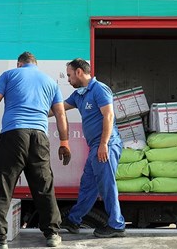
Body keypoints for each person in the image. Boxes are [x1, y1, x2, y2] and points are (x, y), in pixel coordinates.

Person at [0, 51, 71, 249]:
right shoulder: (50, 82)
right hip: (39, 137)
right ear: (35, 65)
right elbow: (60, 113)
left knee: (4, 186)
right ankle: (52, 234)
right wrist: (64, 142)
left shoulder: (9, 75)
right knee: (44, 186)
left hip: (13, 135)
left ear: (20, 64)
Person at [54, 58, 126, 238]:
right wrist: (36, 110)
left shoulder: (99, 89)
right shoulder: (79, 95)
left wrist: (103, 144)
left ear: (79, 72)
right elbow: (60, 108)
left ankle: (116, 225)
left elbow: (108, 116)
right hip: (95, 147)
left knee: (107, 185)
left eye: (70, 75)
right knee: (88, 185)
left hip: (106, 145)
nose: (69, 80)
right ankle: (73, 219)